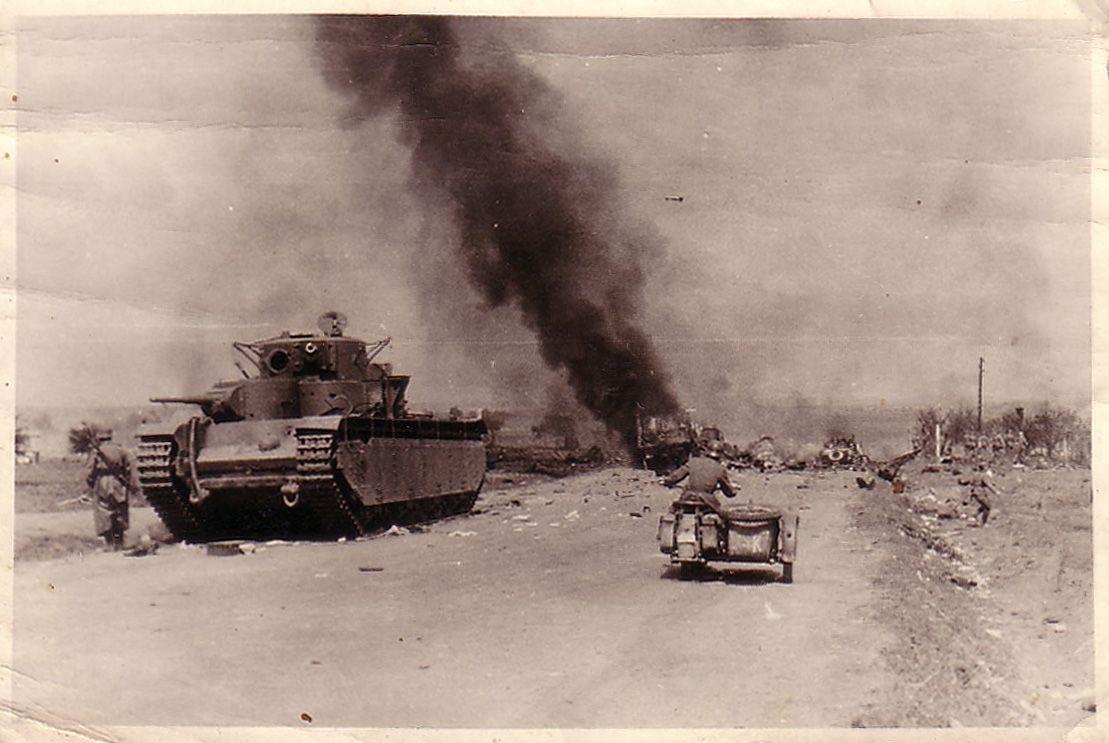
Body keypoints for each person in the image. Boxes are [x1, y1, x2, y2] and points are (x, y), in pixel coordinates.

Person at [84, 428, 136, 550]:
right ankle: (120, 542)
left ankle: (109, 543)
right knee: (120, 510)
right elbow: (129, 468)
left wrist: (92, 484)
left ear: (99, 438)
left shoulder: (96, 452)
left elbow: (89, 472)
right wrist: (128, 483)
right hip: (119, 483)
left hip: (103, 482)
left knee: (104, 511)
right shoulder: (121, 450)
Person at [660, 440, 738, 515]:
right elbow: (728, 491)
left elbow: (676, 476)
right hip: (707, 501)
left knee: (674, 510)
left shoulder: (693, 462)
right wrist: (733, 491)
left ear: (706, 451)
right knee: (721, 516)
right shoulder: (720, 469)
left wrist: (666, 481)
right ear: (720, 455)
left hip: (688, 497)